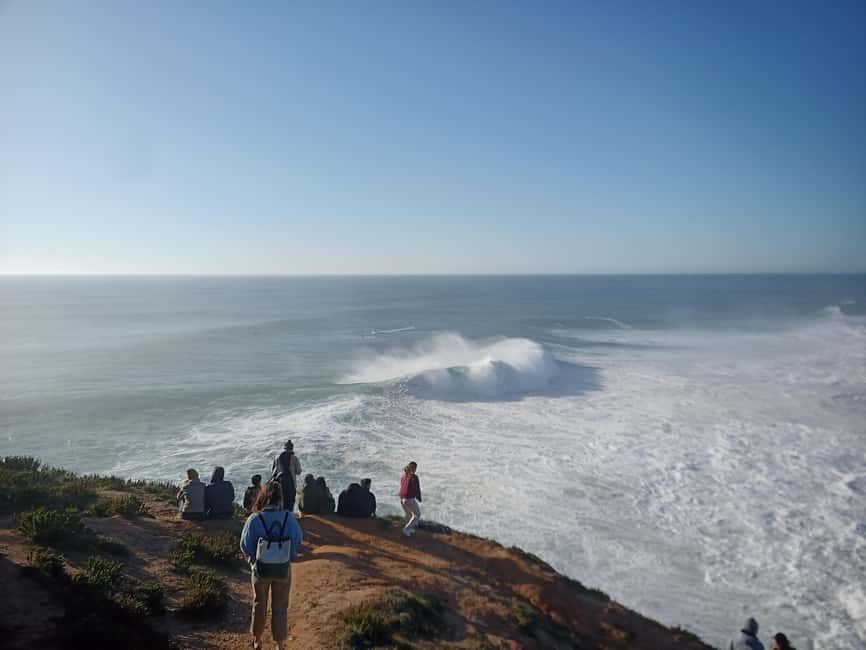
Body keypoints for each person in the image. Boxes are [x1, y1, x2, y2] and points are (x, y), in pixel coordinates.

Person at [240, 481, 303, 650]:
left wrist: (253, 561)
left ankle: (257, 640)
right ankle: (280, 643)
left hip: (261, 569)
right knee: (281, 605)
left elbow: (244, 545)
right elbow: (297, 540)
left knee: (259, 603)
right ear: (280, 497)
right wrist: (288, 556)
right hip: (282, 569)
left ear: (263, 496)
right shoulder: (288, 517)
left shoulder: (254, 518)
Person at [272, 440, 302, 512]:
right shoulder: (294, 458)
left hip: (279, 484)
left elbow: (273, 471)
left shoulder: (277, 457)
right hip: (291, 484)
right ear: (292, 448)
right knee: (290, 503)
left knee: (280, 502)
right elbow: (298, 472)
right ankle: (289, 517)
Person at [399, 462, 421, 537]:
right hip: (409, 499)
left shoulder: (403, 476)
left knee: (408, 514)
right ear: (412, 468)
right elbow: (417, 488)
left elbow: (402, 487)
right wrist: (419, 497)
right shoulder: (414, 477)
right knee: (417, 514)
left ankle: (408, 528)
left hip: (402, 499)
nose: (415, 470)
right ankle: (406, 529)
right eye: (414, 468)